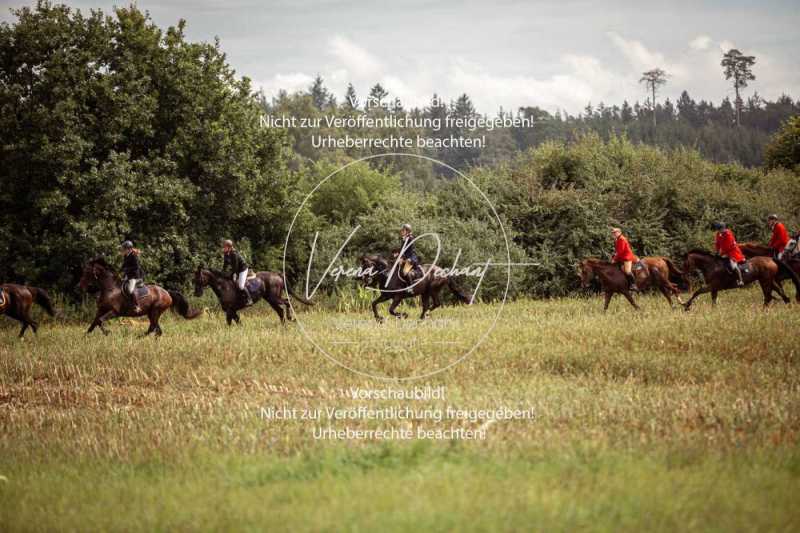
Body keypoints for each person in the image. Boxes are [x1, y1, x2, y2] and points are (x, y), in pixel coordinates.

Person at [712, 222, 745, 286]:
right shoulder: (718, 234)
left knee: (733, 265)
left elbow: (728, 247)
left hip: (733, 252)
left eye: (719, 229)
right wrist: (716, 252)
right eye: (718, 229)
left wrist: (721, 254)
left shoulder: (728, 234)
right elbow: (717, 244)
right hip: (725, 252)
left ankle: (741, 280)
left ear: (723, 228)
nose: (718, 231)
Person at [222, 239, 253, 306]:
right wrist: (222, 272)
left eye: (224, 247)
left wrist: (234, 274)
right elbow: (225, 264)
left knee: (241, 286)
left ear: (229, 247)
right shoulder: (226, 253)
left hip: (242, 269)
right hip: (236, 269)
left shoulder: (234, 253)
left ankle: (249, 299)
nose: (223, 248)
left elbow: (235, 266)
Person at [610, 227, 639, 292]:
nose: (613, 234)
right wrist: (614, 255)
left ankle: (633, 285)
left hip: (627, 257)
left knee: (627, 271)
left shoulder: (622, 239)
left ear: (619, 232)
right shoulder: (617, 239)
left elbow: (621, 251)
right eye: (613, 233)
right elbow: (618, 251)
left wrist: (614, 259)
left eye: (615, 233)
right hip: (621, 256)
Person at [120, 240, 144, 312]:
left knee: (130, 290)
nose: (123, 250)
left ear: (129, 249)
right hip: (128, 275)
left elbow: (136, 267)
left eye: (124, 248)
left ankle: (137, 306)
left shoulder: (134, 256)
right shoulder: (126, 255)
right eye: (123, 248)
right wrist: (119, 271)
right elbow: (123, 265)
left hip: (135, 276)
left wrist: (126, 270)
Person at [398, 223, 422, 293]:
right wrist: (400, 258)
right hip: (405, 258)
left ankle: (410, 288)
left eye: (403, 230)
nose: (401, 231)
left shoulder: (410, 238)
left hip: (411, 258)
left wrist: (407, 258)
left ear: (407, 231)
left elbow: (410, 250)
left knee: (405, 272)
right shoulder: (403, 239)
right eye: (402, 230)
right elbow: (403, 250)